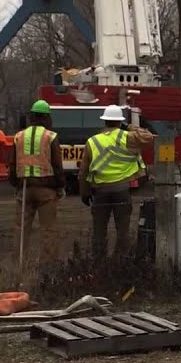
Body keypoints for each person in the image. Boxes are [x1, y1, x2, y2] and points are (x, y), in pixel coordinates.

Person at [81, 105, 150, 261]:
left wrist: (84, 192)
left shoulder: (93, 141)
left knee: (99, 231)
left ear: (104, 121)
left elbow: (83, 171)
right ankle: (121, 262)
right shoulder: (127, 137)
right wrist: (130, 127)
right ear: (120, 122)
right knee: (123, 231)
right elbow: (148, 137)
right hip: (122, 190)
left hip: (100, 192)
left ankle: (99, 262)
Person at [10, 99, 65, 265]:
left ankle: (19, 264)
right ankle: (47, 264)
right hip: (46, 189)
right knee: (48, 229)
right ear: (46, 117)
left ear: (32, 117)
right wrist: (60, 186)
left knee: (21, 229)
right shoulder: (51, 136)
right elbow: (57, 164)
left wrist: (16, 184)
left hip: (25, 188)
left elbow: (12, 164)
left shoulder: (19, 136)